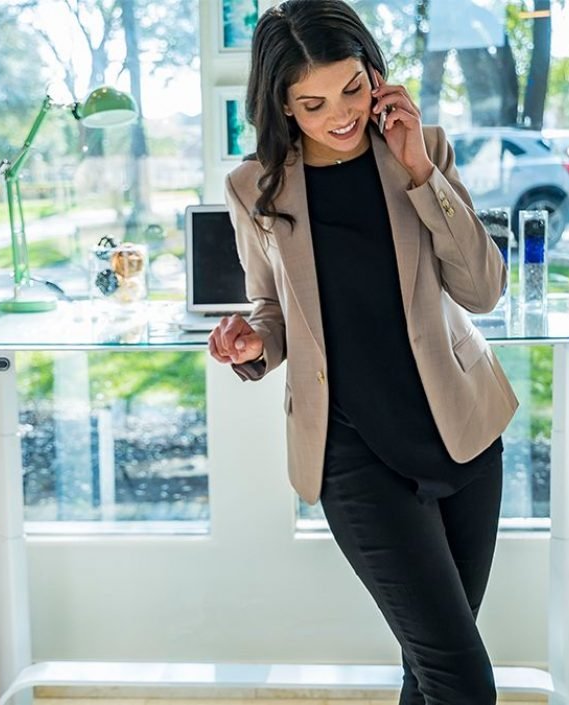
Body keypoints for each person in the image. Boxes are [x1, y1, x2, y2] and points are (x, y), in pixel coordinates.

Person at [206, 1, 519, 703]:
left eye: (352, 87)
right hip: (352, 454)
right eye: (311, 103)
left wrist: (419, 173)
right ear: (282, 106)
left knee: (431, 665)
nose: (340, 114)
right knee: (461, 678)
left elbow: (484, 289)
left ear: (375, 72)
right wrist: (256, 341)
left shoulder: (424, 147)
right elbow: (271, 307)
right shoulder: (252, 186)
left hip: (463, 436)